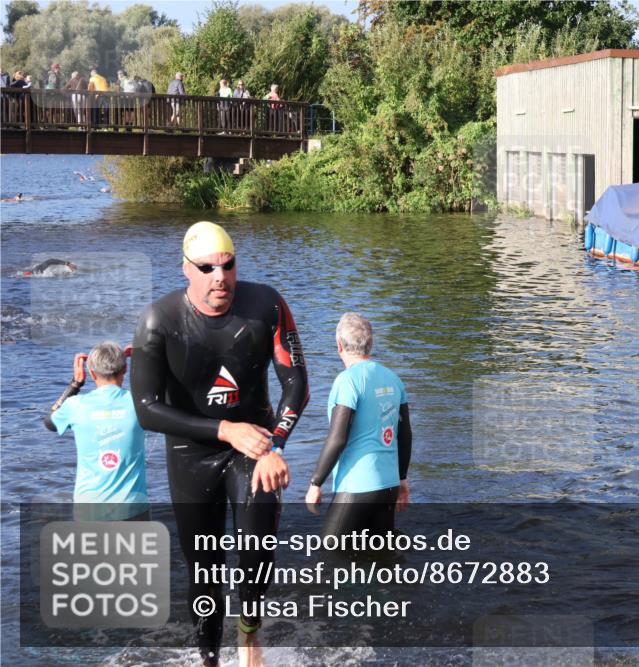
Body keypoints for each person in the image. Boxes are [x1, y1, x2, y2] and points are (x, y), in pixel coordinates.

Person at [130, 221, 309, 667]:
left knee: (255, 551)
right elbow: (147, 410)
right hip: (192, 455)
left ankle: (249, 637)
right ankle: (209, 659)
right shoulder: (159, 321)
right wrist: (225, 429)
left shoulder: (265, 304)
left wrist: (277, 445)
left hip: (255, 449)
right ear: (186, 269)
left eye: (227, 266)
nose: (220, 278)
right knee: (205, 570)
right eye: (207, 268)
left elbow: (297, 384)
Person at [305, 313, 412, 551]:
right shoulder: (393, 379)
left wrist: (316, 483)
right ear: (370, 344)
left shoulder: (348, 381)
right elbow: (405, 435)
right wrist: (402, 480)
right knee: (379, 560)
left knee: (329, 557)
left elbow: (337, 437)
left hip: (357, 487)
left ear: (339, 345)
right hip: (388, 486)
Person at [44, 342, 150, 521]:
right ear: (124, 369)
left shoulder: (75, 406)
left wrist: (75, 384)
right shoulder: (139, 403)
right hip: (132, 509)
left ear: (92, 373)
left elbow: (50, 422)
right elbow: (169, 398)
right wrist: (144, 361)